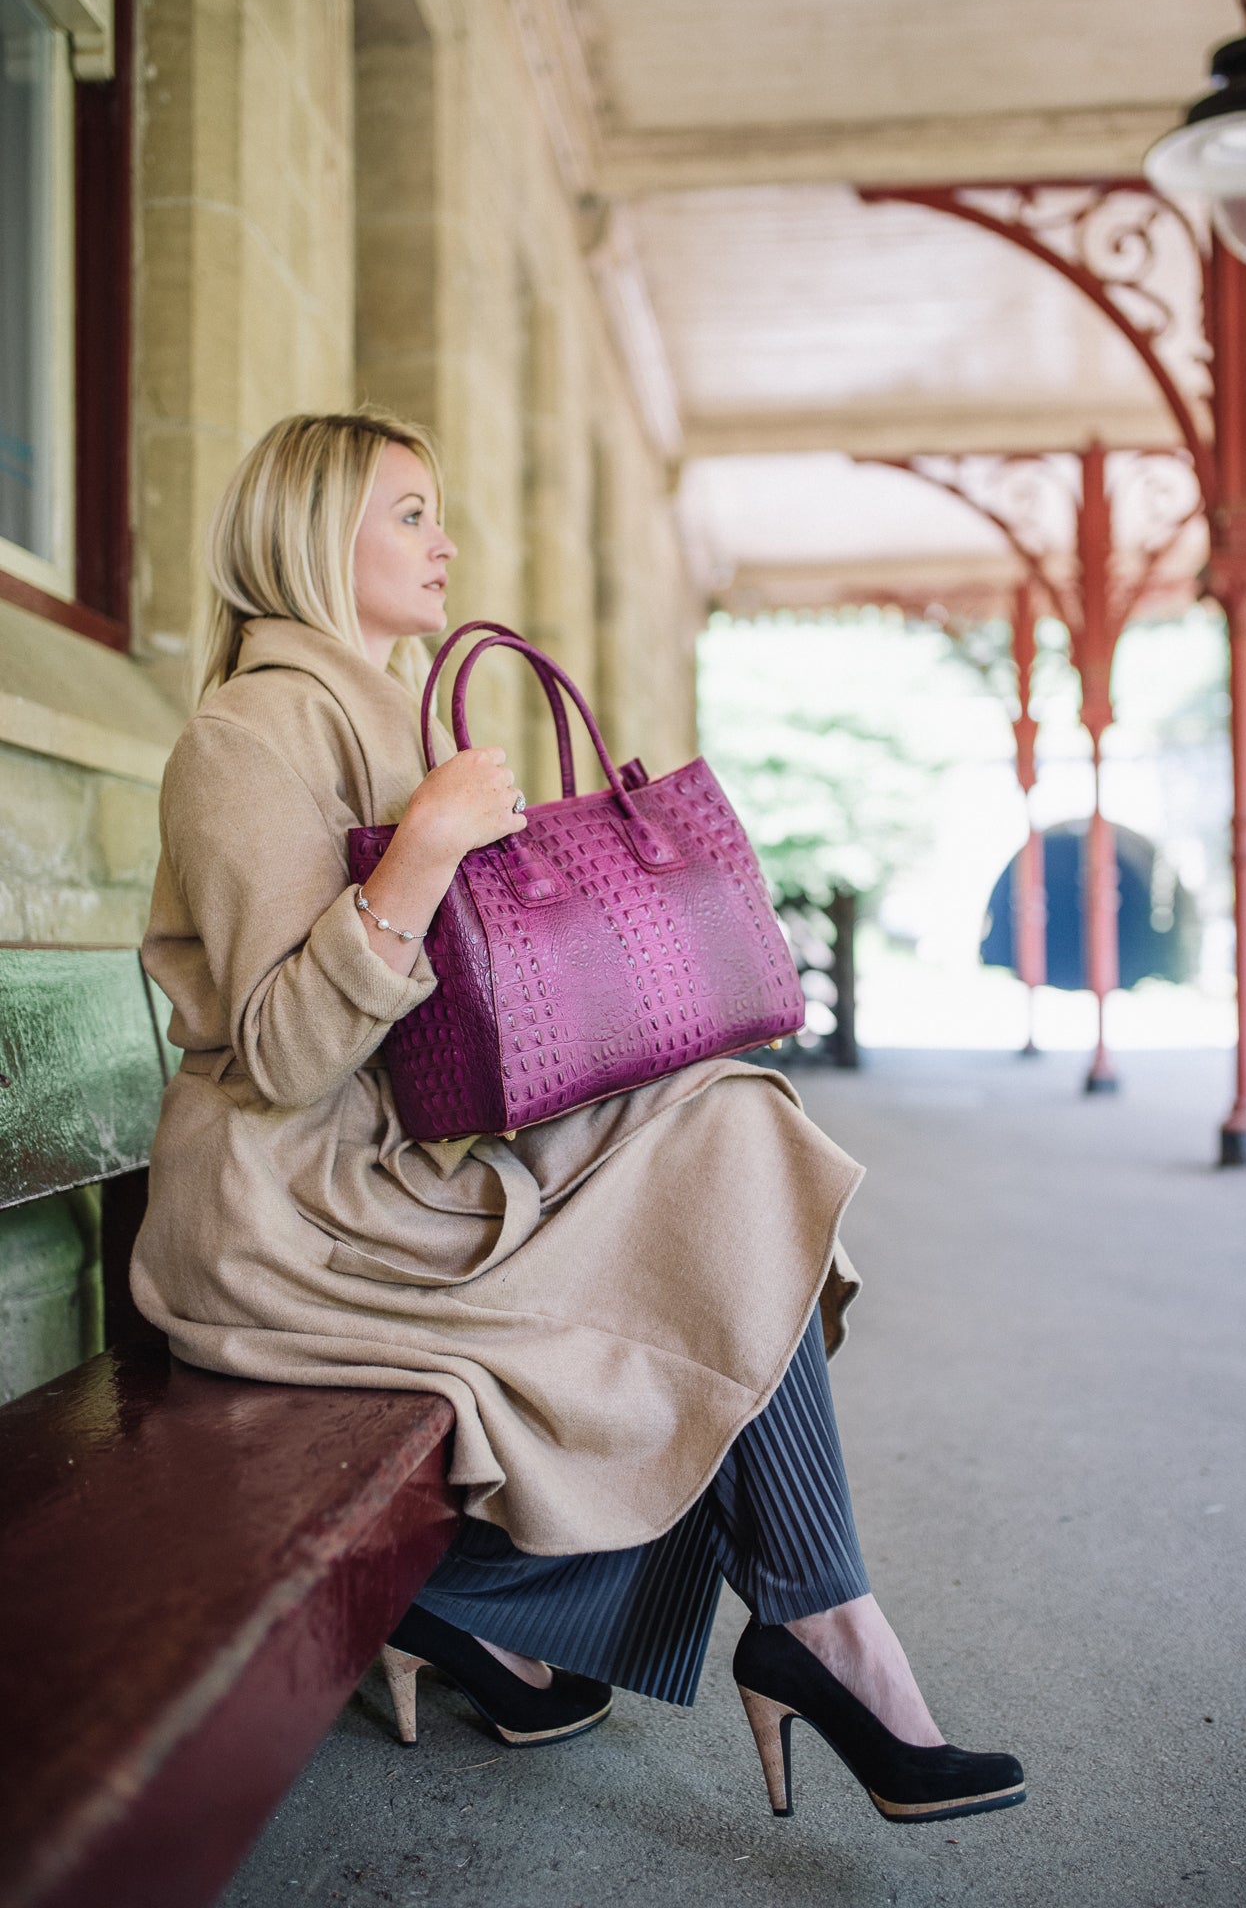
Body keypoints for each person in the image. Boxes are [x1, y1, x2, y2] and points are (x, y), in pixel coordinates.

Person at [132, 410, 1025, 1826]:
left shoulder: (397, 709)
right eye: (410, 514)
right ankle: (801, 1633)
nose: (447, 545)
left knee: (729, 1126)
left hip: (407, 1168)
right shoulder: (246, 734)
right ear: (314, 536)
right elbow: (287, 1057)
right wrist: (422, 853)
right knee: (723, 1166)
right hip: (300, 1212)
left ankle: (784, 1623)